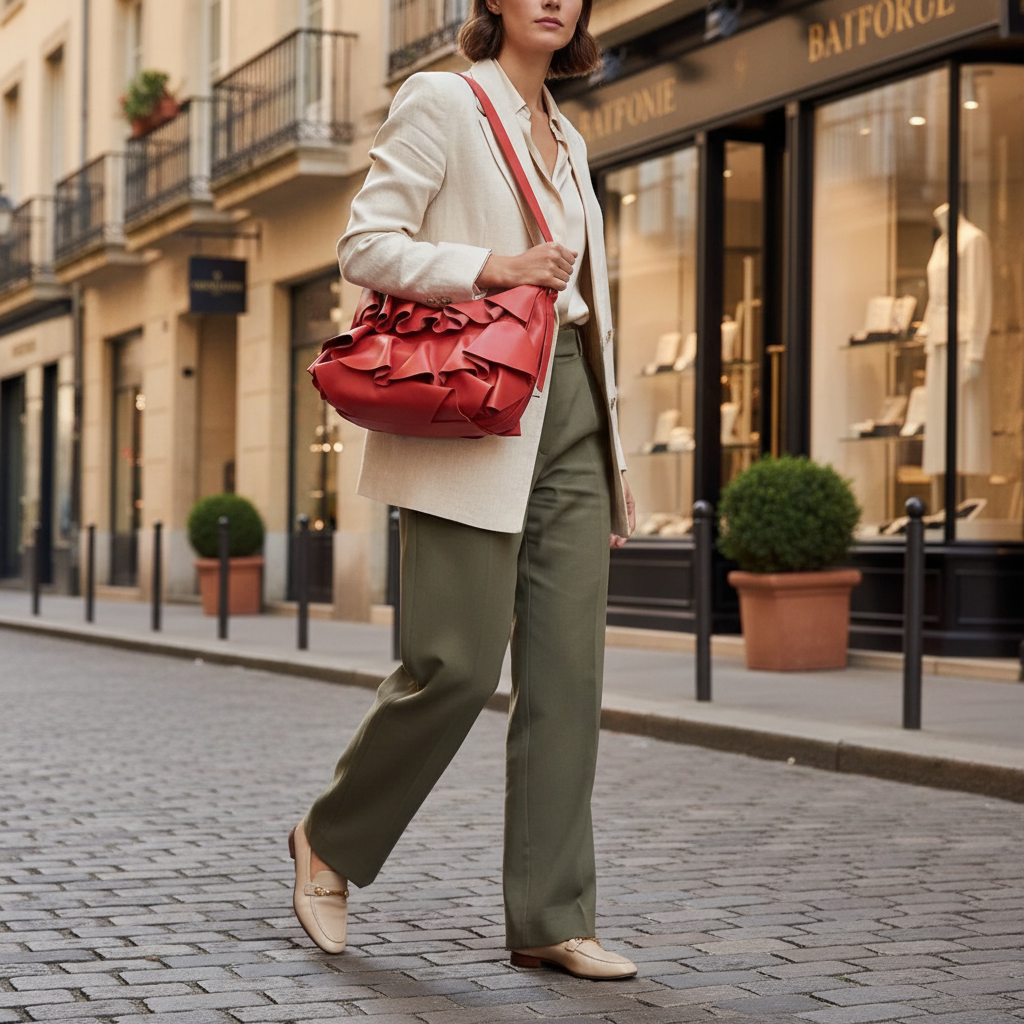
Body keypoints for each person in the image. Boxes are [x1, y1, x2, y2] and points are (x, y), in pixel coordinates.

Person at [289, 0, 638, 981]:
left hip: (570, 413)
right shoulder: (443, 100)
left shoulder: (569, 138)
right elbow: (366, 245)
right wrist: (492, 265)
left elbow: (590, 312)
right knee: (454, 662)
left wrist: (612, 466)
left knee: (568, 676)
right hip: (476, 407)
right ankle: (328, 839)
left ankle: (551, 913)